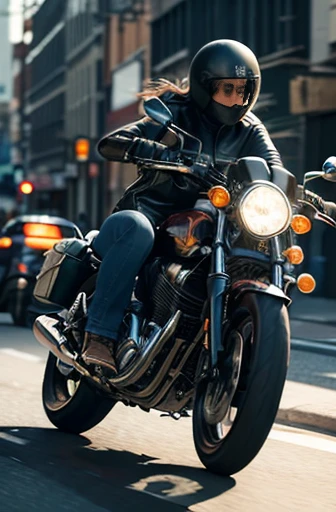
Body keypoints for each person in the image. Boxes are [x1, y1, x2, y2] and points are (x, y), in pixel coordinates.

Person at [81, 39, 285, 376]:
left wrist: (295, 193)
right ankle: (99, 334)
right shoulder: (174, 111)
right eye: (227, 89)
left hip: (212, 221)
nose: (237, 99)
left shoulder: (250, 129)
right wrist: (155, 150)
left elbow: (275, 168)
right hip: (147, 215)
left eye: (243, 91)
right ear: (205, 88)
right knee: (138, 231)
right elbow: (110, 143)